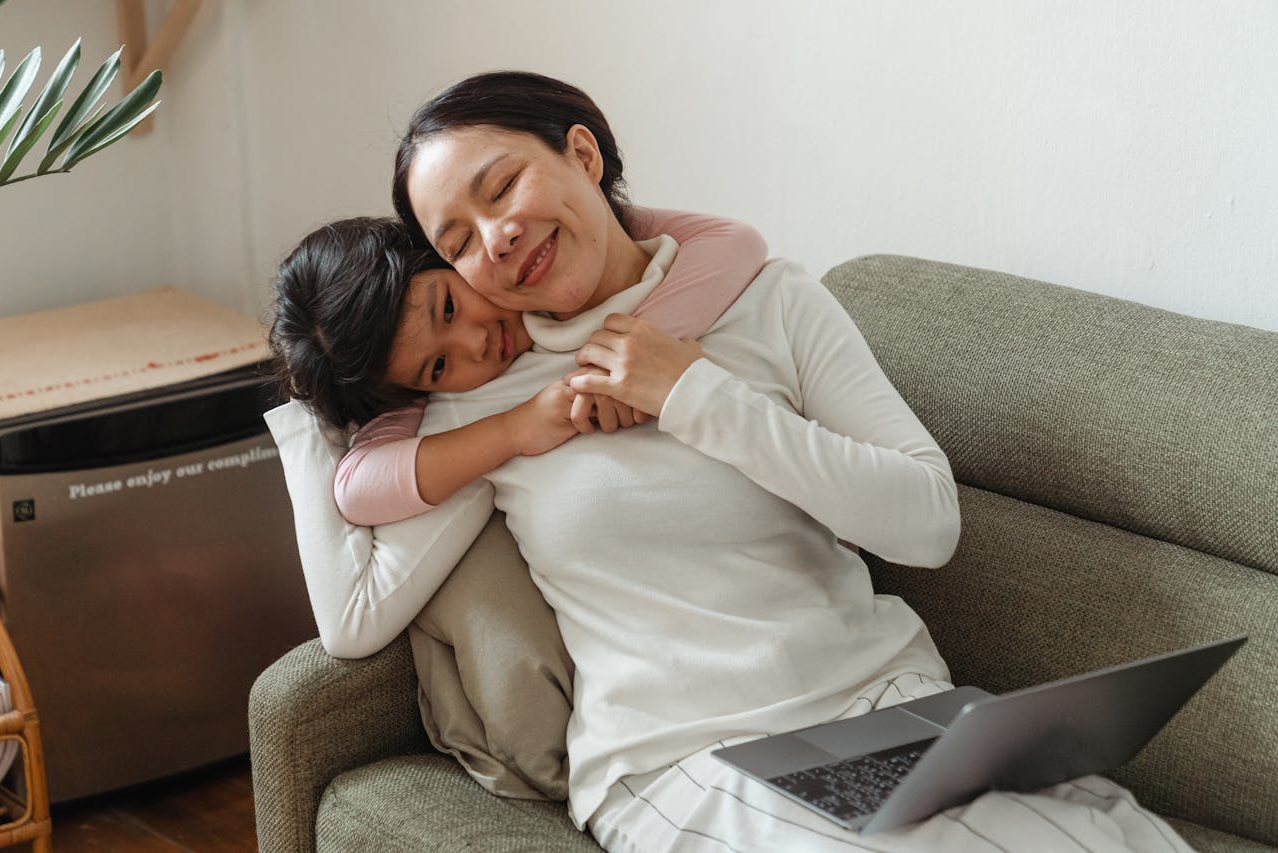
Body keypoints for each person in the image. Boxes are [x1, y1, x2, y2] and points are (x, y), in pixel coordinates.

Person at [270, 71, 1192, 852]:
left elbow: (928, 521)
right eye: (457, 241)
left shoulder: (769, 298)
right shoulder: (487, 390)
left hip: (888, 701)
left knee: (1114, 835)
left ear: (582, 156)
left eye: (502, 186)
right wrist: (311, 421)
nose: (495, 239)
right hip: (680, 758)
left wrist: (697, 396)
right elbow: (358, 581)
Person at [270, 210, 767, 525]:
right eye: (439, 366)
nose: (477, 341)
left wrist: (620, 370)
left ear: (438, 252)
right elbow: (358, 487)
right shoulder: (420, 397)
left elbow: (731, 238)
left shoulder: (548, 252)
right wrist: (516, 428)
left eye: (448, 307)